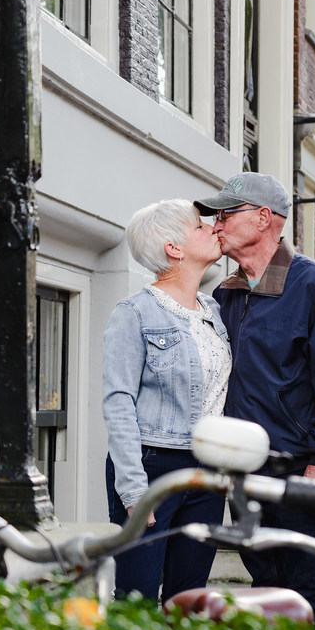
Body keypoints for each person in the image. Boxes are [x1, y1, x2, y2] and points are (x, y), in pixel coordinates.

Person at [193, 172, 315, 628]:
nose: (216, 225)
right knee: (265, 586)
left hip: (297, 470)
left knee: (310, 589)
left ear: (264, 219)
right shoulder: (223, 295)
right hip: (242, 471)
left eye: (227, 214)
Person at [102, 198, 231, 602]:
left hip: (208, 475)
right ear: (174, 249)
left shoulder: (213, 310)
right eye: (200, 226)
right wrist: (133, 490)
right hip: (152, 468)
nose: (213, 228)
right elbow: (118, 401)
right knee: (136, 599)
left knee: (189, 599)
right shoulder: (134, 313)